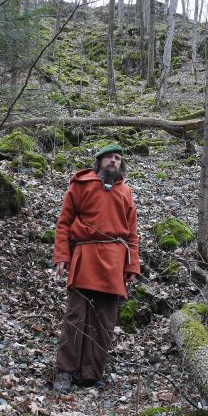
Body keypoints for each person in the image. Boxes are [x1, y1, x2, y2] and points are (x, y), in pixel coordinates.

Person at [52, 143, 140, 392]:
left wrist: (132, 264)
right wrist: (62, 255)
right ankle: (65, 371)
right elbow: (64, 222)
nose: (113, 160)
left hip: (114, 261)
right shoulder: (80, 185)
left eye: (117, 157)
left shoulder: (126, 193)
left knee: (105, 321)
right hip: (86, 255)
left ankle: (92, 373)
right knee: (75, 316)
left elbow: (132, 232)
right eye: (109, 157)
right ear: (99, 160)